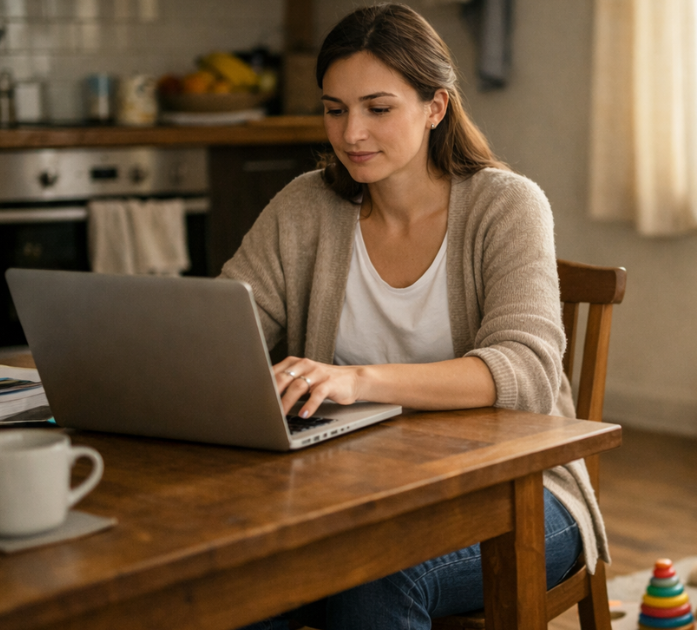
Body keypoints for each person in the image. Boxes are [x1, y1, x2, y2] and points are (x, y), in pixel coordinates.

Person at [223, 4, 607, 628]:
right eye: (334, 108)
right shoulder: (304, 207)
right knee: (233, 581)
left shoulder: (507, 206)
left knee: (374, 582)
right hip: (348, 494)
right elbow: (226, 334)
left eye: (378, 108)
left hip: (520, 494)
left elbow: (527, 368)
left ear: (437, 107)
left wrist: (358, 379)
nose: (351, 134)